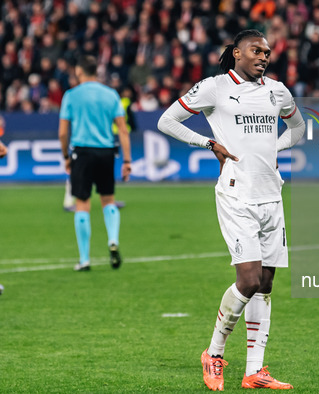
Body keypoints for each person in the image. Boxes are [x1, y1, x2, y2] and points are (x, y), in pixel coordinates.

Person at [158, 30, 305, 391]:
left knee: (266, 284)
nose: (264, 56)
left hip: (272, 195)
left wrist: (275, 148)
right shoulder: (214, 87)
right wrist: (208, 142)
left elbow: (299, 128)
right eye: (256, 50)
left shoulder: (278, 91)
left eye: (267, 52)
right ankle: (214, 353)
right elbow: (167, 121)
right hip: (237, 196)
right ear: (237, 52)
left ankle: (254, 370)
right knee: (250, 280)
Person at [58, 56, 132, 271]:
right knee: (108, 200)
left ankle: (84, 259)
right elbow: (123, 129)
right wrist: (127, 160)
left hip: (81, 152)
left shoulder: (71, 95)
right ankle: (113, 240)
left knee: (82, 203)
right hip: (106, 152)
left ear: (80, 72)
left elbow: (63, 132)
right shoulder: (111, 94)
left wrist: (65, 156)